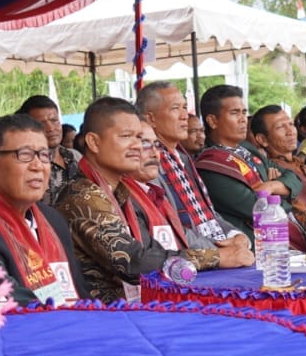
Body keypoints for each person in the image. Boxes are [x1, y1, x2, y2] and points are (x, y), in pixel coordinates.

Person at [54, 98, 249, 302]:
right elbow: (135, 261)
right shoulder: (83, 195)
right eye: (126, 136)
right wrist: (217, 257)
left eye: (139, 138)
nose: (137, 146)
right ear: (94, 142)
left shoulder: (121, 191)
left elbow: (154, 250)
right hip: (104, 315)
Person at [0, 115, 89, 305]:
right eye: (24, 155)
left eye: (43, 155)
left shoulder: (53, 219)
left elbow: (80, 293)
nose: (38, 166)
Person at [194, 86, 290, 242]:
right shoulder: (210, 165)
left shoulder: (248, 149)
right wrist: (287, 194)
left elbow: (292, 177)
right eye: (234, 113)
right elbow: (258, 208)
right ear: (212, 121)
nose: (242, 119)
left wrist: (272, 186)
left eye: (244, 112)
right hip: (254, 246)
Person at [136, 81, 228, 243]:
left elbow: (207, 212)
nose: (185, 115)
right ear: (151, 118)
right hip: (197, 256)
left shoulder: (183, 158)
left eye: (184, 107)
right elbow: (167, 228)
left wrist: (236, 235)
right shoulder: (147, 162)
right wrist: (218, 250)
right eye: (175, 108)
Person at [252, 104, 306, 247]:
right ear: (262, 139)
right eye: (280, 127)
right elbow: (303, 220)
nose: (290, 131)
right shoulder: (271, 173)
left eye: (290, 124)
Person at [16, 95, 79, 207]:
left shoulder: (74, 156)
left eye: (54, 120)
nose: (50, 128)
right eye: (41, 124)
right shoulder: (29, 165)